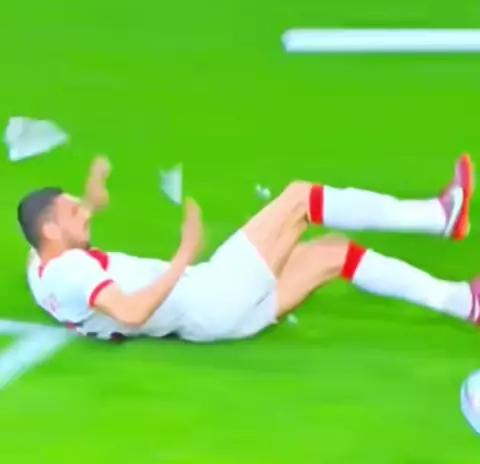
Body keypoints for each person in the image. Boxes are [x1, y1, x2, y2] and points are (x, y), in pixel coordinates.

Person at [18, 154, 479, 343]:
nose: (85, 216)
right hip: (214, 294)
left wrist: (89, 200)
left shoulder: (41, 262)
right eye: (74, 213)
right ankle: (439, 216)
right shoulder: (74, 271)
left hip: (214, 320)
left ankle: (463, 301)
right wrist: (184, 253)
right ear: (53, 231)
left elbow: (64, 245)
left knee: (334, 253)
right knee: (300, 198)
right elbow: (132, 312)